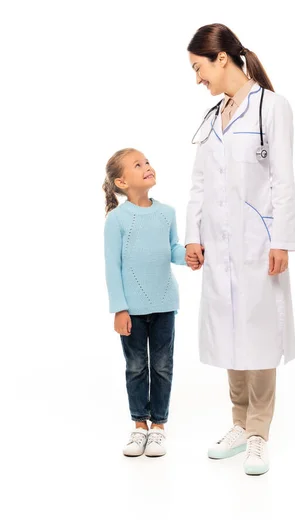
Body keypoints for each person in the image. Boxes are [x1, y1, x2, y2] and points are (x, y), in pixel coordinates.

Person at [185, 23, 295, 476]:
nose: (197, 79)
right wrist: (194, 235)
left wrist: (282, 240)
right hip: (218, 244)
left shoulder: (272, 107)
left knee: (259, 332)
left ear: (222, 59)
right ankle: (237, 422)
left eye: (198, 68)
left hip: (258, 242)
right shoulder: (215, 116)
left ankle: (258, 434)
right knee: (229, 330)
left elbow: (284, 179)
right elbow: (199, 183)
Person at [103, 148, 198, 458]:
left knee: (162, 366)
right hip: (131, 310)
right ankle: (139, 425)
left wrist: (190, 256)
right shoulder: (116, 220)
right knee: (135, 367)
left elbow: (172, 250)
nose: (147, 167)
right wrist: (119, 308)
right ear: (121, 181)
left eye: (147, 162)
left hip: (165, 304)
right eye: (138, 165)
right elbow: (112, 267)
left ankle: (158, 427)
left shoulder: (166, 213)